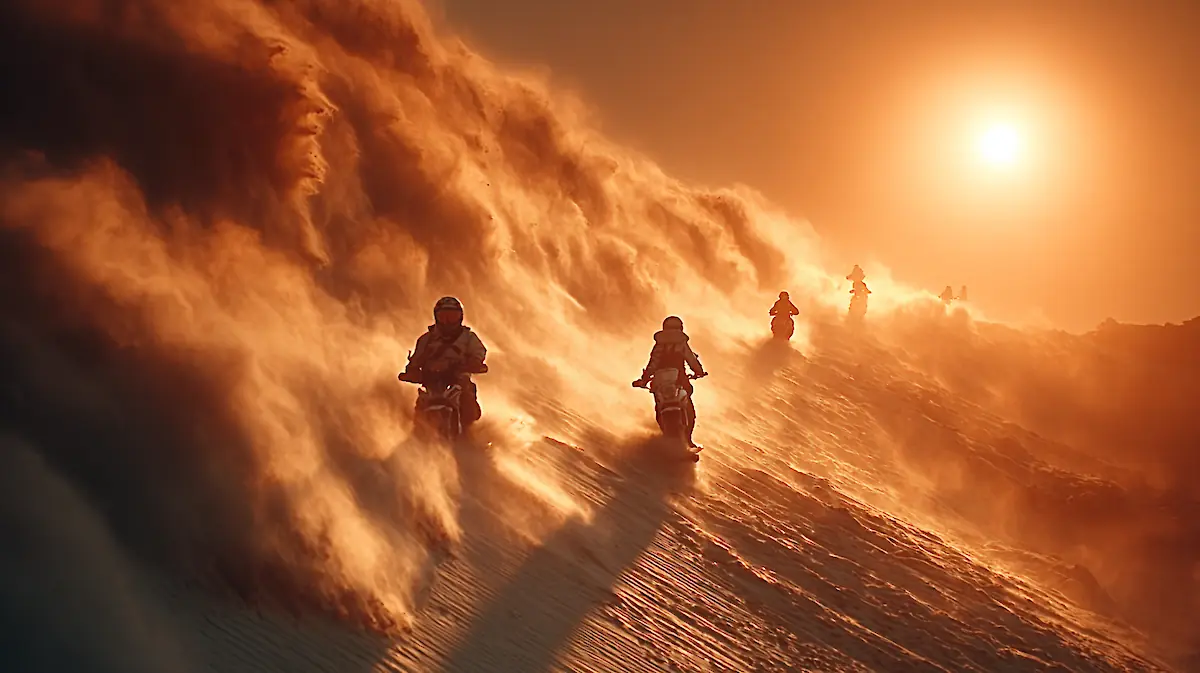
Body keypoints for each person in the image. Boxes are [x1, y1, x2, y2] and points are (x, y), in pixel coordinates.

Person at [398, 296, 488, 428]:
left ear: (460, 317)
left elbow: (478, 352)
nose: (447, 322)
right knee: (420, 404)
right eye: (443, 317)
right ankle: (418, 434)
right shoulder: (426, 339)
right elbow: (416, 360)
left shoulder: (468, 337)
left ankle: (469, 432)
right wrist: (411, 371)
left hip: (457, 378)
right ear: (436, 317)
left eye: (452, 317)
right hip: (431, 380)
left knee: (469, 400)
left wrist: (474, 363)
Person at [631, 316, 708, 447]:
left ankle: (667, 438)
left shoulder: (659, 346)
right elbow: (692, 361)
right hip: (679, 380)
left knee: (659, 407)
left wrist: (643, 380)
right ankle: (688, 440)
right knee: (689, 408)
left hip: (659, 381)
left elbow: (652, 364)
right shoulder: (681, 344)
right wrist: (699, 372)